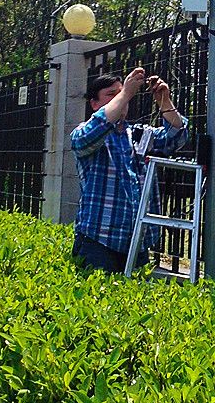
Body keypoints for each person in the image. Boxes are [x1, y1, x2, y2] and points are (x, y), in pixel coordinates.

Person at [70, 67, 188, 273]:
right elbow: (88, 136)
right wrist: (125, 93)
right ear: (94, 104)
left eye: (121, 93)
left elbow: (177, 137)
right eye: (111, 95)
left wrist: (164, 101)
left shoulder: (138, 134)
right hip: (98, 241)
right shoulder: (84, 132)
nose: (121, 99)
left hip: (137, 242)